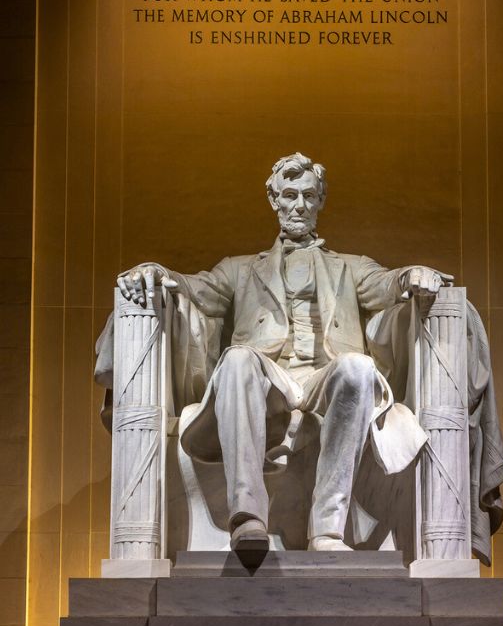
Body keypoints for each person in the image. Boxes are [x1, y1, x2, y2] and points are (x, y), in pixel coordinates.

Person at [114, 152, 459, 552]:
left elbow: (385, 284)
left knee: (359, 368)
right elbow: (196, 289)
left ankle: (327, 529)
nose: (300, 205)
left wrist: (410, 275)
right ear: (274, 201)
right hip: (268, 379)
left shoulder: (351, 266)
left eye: (309, 196)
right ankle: (247, 517)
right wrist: (158, 272)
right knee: (238, 358)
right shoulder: (241, 269)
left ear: (320, 202)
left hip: (322, 379)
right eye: (290, 195)